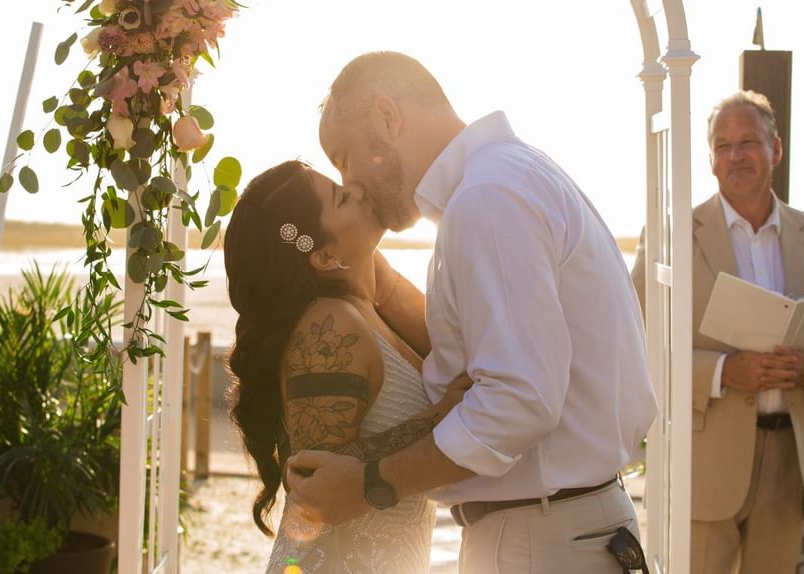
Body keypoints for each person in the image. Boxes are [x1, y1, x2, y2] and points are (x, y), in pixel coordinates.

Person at [286, 51, 657, 572]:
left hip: (540, 541)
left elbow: (518, 401)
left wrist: (371, 484)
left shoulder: (487, 199)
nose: (349, 182)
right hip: (566, 528)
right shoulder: (508, 178)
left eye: (343, 156)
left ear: (388, 119)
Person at [223, 160, 472, 573]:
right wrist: (440, 419)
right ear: (322, 255)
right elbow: (315, 479)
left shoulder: (365, 311)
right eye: (341, 197)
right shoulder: (329, 328)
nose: (355, 188)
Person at [631, 90, 804, 573]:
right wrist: (725, 371)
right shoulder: (670, 236)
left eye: (748, 141)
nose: (736, 155)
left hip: (791, 461)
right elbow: (636, 344)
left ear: (776, 150)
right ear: (710, 159)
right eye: (722, 146)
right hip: (704, 464)